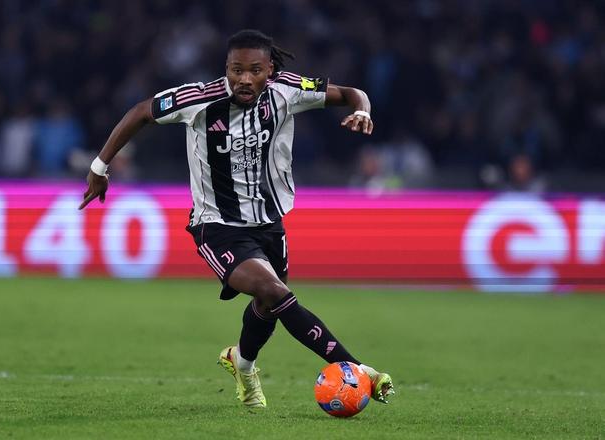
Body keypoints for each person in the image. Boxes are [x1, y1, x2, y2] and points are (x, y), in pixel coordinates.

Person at [79, 29, 394, 408]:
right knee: (276, 292)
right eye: (236, 70)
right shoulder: (198, 99)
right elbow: (141, 112)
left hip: (269, 222)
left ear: (270, 70)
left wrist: (362, 110)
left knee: (268, 305)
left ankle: (242, 363)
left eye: (254, 70)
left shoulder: (287, 90)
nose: (244, 79)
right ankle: (359, 370)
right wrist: (99, 167)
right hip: (217, 226)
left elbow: (350, 93)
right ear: (226, 68)